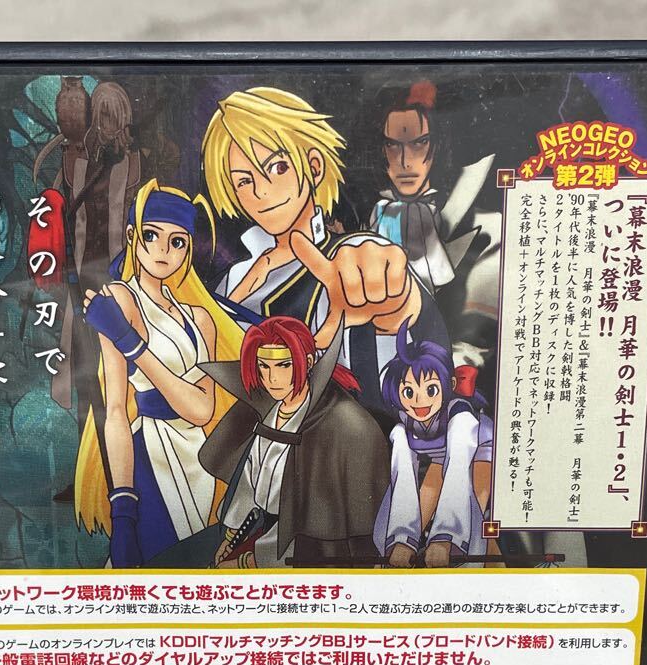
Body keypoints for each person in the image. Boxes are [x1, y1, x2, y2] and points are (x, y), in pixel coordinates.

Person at [201, 86, 449, 429]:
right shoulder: (235, 276)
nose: (261, 191)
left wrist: (397, 308)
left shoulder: (348, 254)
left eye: (277, 167)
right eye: (244, 181)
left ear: (314, 167)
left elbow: (396, 330)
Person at [74, 179, 243, 566]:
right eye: (151, 236)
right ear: (133, 237)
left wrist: (130, 342)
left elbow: (201, 410)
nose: (163, 250)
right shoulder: (121, 299)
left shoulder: (200, 318)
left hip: (200, 462)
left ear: (189, 248)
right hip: (150, 455)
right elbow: (115, 411)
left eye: (177, 241)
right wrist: (123, 510)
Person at [197, 317, 389, 568]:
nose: (272, 378)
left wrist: (247, 562)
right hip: (261, 529)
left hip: (315, 548)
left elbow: (316, 519)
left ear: (307, 362)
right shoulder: (267, 408)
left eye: (284, 365)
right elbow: (249, 480)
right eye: (263, 366)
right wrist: (233, 536)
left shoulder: (340, 423)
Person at [374, 320, 494, 567]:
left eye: (430, 390)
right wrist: (401, 540)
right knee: (412, 528)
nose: (419, 402)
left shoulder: (461, 419)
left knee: (475, 521)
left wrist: (444, 540)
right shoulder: (401, 429)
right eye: (409, 392)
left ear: (449, 385)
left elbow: (458, 468)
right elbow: (402, 479)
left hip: (478, 449)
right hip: (439, 456)